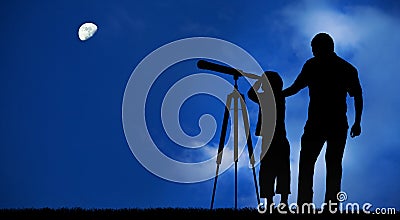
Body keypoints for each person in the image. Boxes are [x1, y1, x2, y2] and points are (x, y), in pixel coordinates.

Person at [282, 32, 363, 212]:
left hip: (322, 123)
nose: (312, 52)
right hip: (331, 123)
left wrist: (358, 122)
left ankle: (310, 205)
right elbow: (357, 95)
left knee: (313, 163)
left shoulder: (320, 66)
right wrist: (357, 122)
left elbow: (357, 95)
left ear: (322, 48)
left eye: (314, 48)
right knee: (328, 164)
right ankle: (323, 206)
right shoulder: (343, 67)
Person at [247, 71, 291, 211]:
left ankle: (272, 203)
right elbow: (252, 94)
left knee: (269, 171)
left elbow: (251, 94)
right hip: (279, 138)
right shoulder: (277, 96)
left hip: (272, 139)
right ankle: (281, 202)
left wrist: (259, 81)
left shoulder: (269, 97)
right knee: (280, 171)